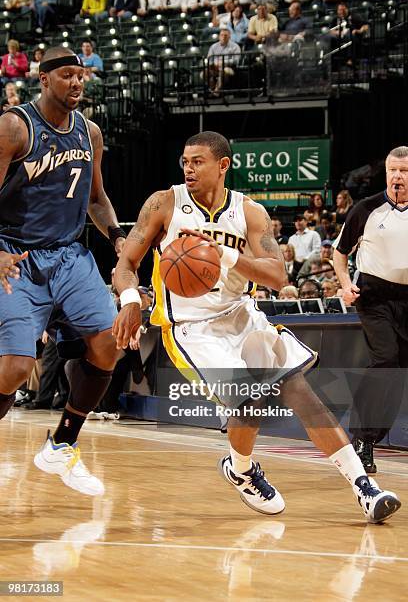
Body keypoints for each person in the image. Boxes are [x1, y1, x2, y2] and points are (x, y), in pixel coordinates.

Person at [112, 130, 400, 524]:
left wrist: (225, 255)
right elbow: (126, 265)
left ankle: (363, 486)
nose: (188, 168)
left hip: (241, 314)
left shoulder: (249, 212)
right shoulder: (165, 203)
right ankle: (242, 468)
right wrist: (130, 300)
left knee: (301, 389)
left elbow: (276, 275)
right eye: (185, 161)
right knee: (249, 398)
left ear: (223, 165)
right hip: (191, 327)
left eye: (198, 161)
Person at [0, 46, 126, 495]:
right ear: (44, 79)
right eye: (68, 75)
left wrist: (116, 237)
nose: (77, 82)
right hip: (16, 255)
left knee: (111, 342)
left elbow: (96, 198)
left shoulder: (89, 133)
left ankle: (62, 444)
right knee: (15, 370)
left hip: (70, 256)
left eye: (81, 75)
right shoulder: (15, 126)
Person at [333, 145, 408, 475]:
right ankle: (362, 439)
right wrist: (346, 284)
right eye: (393, 170)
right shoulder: (367, 208)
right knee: (385, 358)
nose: (397, 176)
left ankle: (371, 437)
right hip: (374, 295)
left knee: (397, 372)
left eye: (404, 171)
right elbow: (339, 254)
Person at [206, 29, 241, 94]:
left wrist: (223, 62)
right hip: (215, 67)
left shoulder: (235, 46)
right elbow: (209, 59)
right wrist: (214, 64)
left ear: (229, 36)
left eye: (226, 35)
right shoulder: (213, 46)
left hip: (229, 67)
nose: (223, 37)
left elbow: (236, 60)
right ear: (219, 36)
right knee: (204, 73)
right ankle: (212, 89)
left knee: (224, 71)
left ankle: (217, 90)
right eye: (222, 35)